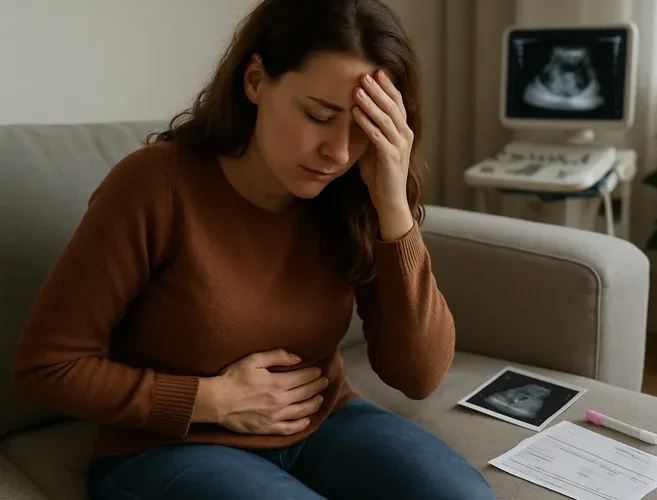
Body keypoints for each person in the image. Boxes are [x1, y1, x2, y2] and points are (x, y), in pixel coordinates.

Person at [11, 0, 495, 499]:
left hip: (320, 424)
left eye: (364, 129)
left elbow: (418, 375)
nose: (340, 153)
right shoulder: (154, 185)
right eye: (319, 116)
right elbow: (47, 369)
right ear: (256, 81)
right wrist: (209, 401)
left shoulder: (353, 196)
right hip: (166, 448)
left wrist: (394, 210)